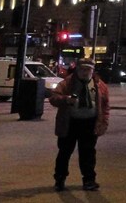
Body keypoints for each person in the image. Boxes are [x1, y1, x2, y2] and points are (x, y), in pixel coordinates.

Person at [49, 58, 110, 191]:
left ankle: (89, 180)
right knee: (64, 152)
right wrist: (66, 99)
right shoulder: (67, 83)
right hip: (70, 123)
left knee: (88, 153)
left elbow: (105, 106)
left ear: (93, 71)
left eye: (88, 69)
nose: (85, 72)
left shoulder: (100, 85)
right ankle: (60, 179)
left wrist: (103, 122)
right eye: (82, 69)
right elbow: (53, 98)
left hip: (89, 123)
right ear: (77, 70)